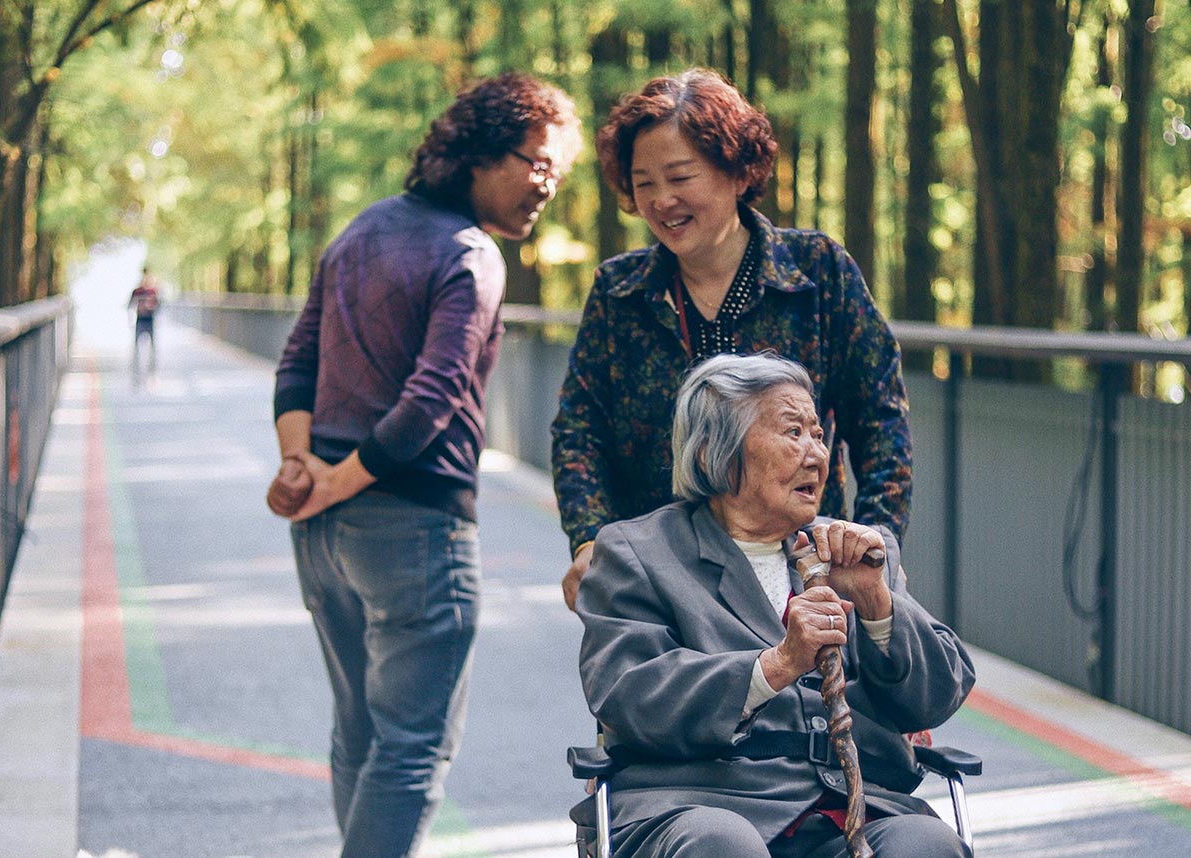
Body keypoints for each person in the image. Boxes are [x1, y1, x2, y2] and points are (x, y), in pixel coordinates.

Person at [271, 73, 581, 858]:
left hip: (325, 537)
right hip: (416, 531)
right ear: (478, 153)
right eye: (534, 162)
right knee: (411, 750)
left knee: (361, 732)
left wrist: (303, 469)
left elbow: (297, 363)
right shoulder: (471, 254)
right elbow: (431, 399)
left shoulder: (361, 230)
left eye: (557, 171)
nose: (546, 185)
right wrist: (329, 479)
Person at [574, 352, 975, 858]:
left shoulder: (855, 552)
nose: (817, 455)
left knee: (926, 845)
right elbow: (628, 694)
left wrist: (875, 600)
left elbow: (936, 698)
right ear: (714, 454)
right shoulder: (638, 552)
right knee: (723, 845)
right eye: (793, 433)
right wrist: (777, 664)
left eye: (818, 434)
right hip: (700, 806)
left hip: (850, 810)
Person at [551, 68, 912, 611]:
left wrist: (874, 545)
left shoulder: (819, 273)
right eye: (644, 182)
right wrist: (590, 539)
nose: (661, 200)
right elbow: (580, 430)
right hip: (660, 581)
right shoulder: (618, 293)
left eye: (680, 176)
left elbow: (881, 421)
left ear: (739, 172)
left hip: (801, 577)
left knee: (806, 696)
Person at [127, 267, 160, 375]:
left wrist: (151, 306)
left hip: (150, 320)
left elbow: (158, 305)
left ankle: (152, 372)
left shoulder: (153, 291)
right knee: (136, 347)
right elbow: (130, 305)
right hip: (140, 320)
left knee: (152, 348)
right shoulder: (137, 291)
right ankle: (135, 371)